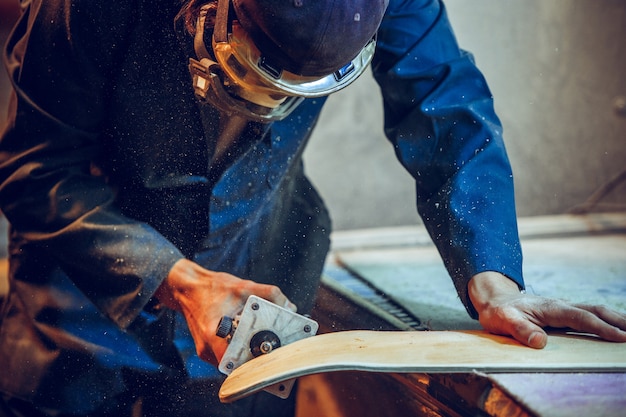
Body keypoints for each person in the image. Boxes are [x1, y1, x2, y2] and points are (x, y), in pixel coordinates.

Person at [0, 0, 624, 416]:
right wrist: (174, 278)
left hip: (255, 283)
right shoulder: (84, 9)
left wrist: (493, 280)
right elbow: (35, 170)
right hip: (80, 306)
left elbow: (444, 108)